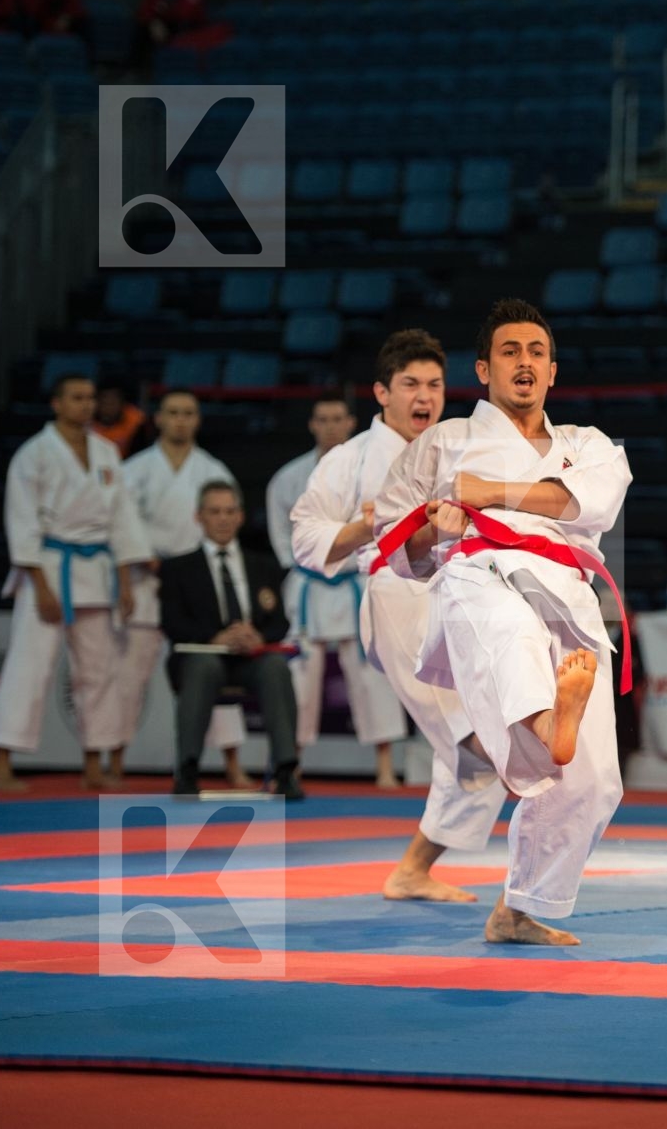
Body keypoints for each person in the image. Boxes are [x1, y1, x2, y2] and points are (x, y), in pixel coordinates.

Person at [373, 298, 632, 947]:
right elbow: (393, 545)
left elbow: (585, 505)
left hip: (569, 598)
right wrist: (435, 530)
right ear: (484, 372)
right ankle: (548, 724)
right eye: (510, 352)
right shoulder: (445, 440)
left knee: (595, 782)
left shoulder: (589, 446)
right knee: (509, 641)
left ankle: (519, 905)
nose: (526, 363)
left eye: (537, 353)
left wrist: (489, 492)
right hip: (477, 574)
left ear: (553, 374)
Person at [292, 328, 508, 903]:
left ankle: (414, 868)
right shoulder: (352, 459)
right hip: (395, 596)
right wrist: (365, 526)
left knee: (489, 740)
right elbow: (305, 537)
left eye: (435, 384)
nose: (425, 396)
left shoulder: (458, 449)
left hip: (460, 594)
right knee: (482, 733)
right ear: (382, 392)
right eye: (411, 383)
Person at [0, 376, 148, 793]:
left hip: (97, 571)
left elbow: (123, 522)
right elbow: (20, 520)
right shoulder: (34, 454)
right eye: (76, 398)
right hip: (50, 566)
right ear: (56, 404)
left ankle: (94, 763)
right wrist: (39, 584)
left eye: (91, 398)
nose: (86, 405)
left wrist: (126, 582)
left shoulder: (108, 452)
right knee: (28, 668)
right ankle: (2, 764)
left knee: (98, 670)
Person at [269, 393, 406, 788]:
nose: (330, 426)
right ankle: (290, 765)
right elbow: (283, 539)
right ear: (312, 424)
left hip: (356, 582)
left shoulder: (376, 470)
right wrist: (301, 563)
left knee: (373, 676)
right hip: (309, 584)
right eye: (322, 419)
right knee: (300, 680)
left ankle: (384, 767)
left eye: (337, 419)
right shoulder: (288, 477)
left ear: (351, 423)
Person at [119, 391, 251, 790]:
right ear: (158, 419)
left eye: (188, 414)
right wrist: (131, 571)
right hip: (146, 575)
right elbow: (120, 526)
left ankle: (231, 763)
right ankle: (113, 759)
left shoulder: (213, 469)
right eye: (173, 413)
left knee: (215, 665)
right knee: (131, 674)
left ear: (197, 420)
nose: (180, 420)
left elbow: (224, 530)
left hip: (199, 583)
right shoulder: (135, 469)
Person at [160, 482, 302, 800]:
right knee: (204, 666)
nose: (222, 519)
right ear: (199, 517)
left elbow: (280, 621)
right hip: (203, 657)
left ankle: (285, 770)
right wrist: (216, 638)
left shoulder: (263, 565)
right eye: (214, 512)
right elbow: (172, 624)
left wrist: (258, 636)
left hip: (251, 660)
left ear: (240, 516)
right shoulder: (178, 569)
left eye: (229, 511)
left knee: (276, 667)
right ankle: (187, 770)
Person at [91, 380, 147, 459]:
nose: (109, 407)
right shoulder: (85, 422)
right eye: (105, 402)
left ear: (123, 402)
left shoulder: (136, 421)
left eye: (113, 401)